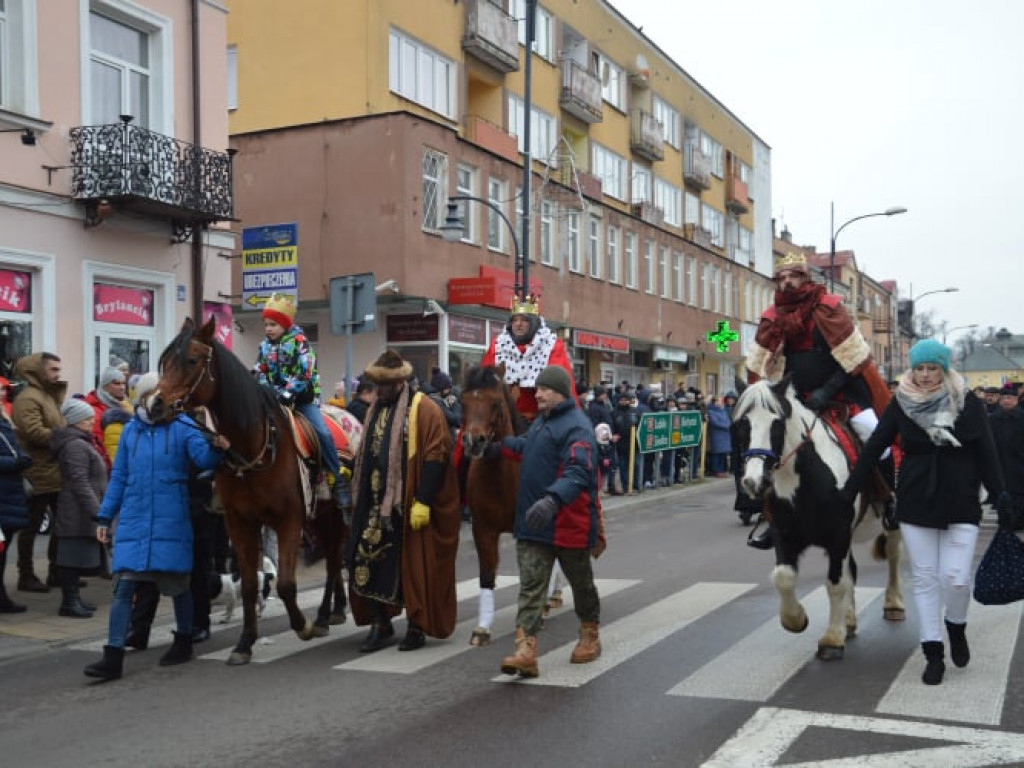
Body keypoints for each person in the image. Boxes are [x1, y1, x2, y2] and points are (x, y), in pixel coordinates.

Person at [842, 339, 1007, 686]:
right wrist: (850, 489)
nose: (926, 375)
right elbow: (875, 446)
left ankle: (957, 627)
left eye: (933, 368)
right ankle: (933, 652)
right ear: (912, 370)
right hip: (917, 499)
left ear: (944, 369)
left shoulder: (969, 402)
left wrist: (1000, 494)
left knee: (956, 578)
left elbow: (987, 452)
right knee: (926, 578)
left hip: (962, 499)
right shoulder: (901, 403)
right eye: (920, 368)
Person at [745, 251, 891, 549]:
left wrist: (827, 391)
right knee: (767, 447)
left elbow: (854, 359)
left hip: (839, 395)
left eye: (793, 276)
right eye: (781, 278)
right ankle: (772, 517)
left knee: (876, 436)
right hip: (794, 400)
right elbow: (761, 366)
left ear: (805, 278)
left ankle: (887, 498)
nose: (786, 283)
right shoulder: (773, 317)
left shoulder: (829, 308)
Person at [83, 387, 231, 681]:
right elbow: (120, 477)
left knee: (177, 585)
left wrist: (217, 448)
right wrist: (104, 516)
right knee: (124, 587)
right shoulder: (130, 432)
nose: (157, 400)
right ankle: (113, 656)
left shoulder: (183, 426)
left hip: (171, 520)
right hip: (134, 520)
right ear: (141, 398)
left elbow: (203, 460)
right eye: (152, 394)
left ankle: (184, 640)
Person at [346, 349, 461, 653]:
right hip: (375, 504)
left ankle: (416, 625)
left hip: (407, 505)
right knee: (368, 561)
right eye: (376, 384)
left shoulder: (424, 409)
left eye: (384, 385)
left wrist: (423, 500)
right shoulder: (373, 409)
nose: (379, 390)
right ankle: (381, 622)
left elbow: (437, 454)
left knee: (412, 568)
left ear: (399, 383)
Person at [498, 365, 604, 678]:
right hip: (534, 523)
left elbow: (579, 472)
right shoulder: (542, 423)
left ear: (559, 392)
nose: (538, 394)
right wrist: (498, 447)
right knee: (531, 588)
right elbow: (528, 448)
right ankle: (526, 650)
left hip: (567, 522)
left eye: (543, 390)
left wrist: (553, 499)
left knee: (581, 584)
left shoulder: (577, 428)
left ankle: (590, 634)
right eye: (538, 389)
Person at [254, 293, 347, 506]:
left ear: (285, 325)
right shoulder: (264, 346)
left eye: (273, 324)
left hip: (302, 398)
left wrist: (287, 394)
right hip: (272, 398)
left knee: (322, 432)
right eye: (266, 324)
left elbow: (305, 373)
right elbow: (259, 370)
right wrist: (264, 389)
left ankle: (337, 478)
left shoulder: (300, 342)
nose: (268, 328)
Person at [10, 352, 66, 593]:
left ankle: (56, 572)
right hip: (37, 471)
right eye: (53, 370)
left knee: (62, 525)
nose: (57, 374)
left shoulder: (47, 396)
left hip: (54, 470)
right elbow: (33, 432)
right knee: (31, 527)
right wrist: (64, 437)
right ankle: (26, 574)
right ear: (38, 371)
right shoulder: (28, 399)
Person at [50, 398, 107, 619]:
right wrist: (98, 511)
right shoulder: (75, 445)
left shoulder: (81, 442)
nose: (92, 420)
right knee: (70, 557)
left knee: (74, 557)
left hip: (81, 509)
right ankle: (69, 602)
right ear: (75, 421)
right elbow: (79, 481)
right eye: (87, 418)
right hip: (77, 510)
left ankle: (73, 600)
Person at [481, 295, 575, 424]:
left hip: (544, 419)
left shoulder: (551, 345)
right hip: (505, 421)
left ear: (533, 323)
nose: (518, 324)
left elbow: (558, 386)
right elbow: (484, 386)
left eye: (524, 320)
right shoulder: (498, 346)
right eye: (514, 320)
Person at [0, 402, 31, 613]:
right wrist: (14, 463)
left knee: (3, 551)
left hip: (8, 495)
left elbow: (14, 449)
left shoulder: (4, 422)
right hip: (4, 494)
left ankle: (1, 597)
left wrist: (22, 458)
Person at [989, 382, 1024, 531]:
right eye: (1004, 398)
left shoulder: (1022, 417)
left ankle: (1018, 521)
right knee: (1001, 492)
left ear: (1016, 399)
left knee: (1019, 494)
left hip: (1019, 463)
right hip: (999, 463)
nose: (1006, 401)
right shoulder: (992, 419)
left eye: (1010, 398)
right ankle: (1004, 519)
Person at [83, 366, 131, 467]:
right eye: (116, 383)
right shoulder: (94, 411)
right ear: (105, 386)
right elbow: (98, 446)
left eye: (123, 383)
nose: (122, 387)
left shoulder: (127, 406)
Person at [428, 367, 462, 445]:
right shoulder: (436, 402)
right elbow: (455, 420)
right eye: (448, 388)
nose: (449, 391)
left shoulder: (432, 400)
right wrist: (454, 404)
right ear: (441, 389)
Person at [707, 396, 732, 477]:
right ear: (715, 402)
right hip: (716, 435)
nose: (721, 402)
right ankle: (716, 470)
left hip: (724, 435)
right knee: (717, 453)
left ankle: (722, 470)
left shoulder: (723, 411)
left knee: (722, 454)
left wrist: (728, 425)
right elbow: (715, 422)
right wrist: (726, 426)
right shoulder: (711, 411)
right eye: (719, 401)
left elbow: (727, 420)